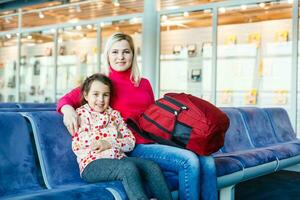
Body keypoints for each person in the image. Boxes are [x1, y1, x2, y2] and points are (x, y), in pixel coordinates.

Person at [57, 32, 217, 200]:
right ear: (107, 55)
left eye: (126, 51)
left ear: (133, 54)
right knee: (188, 161)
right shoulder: (103, 84)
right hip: (129, 148)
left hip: (152, 142)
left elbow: (153, 118)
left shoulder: (144, 83)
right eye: (115, 52)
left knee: (208, 161)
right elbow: (66, 99)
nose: (120, 57)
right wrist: (67, 110)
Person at [72, 73, 172, 200]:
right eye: (96, 94)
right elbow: (81, 143)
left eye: (105, 95)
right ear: (86, 95)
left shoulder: (114, 115)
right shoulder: (81, 114)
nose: (101, 99)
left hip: (118, 158)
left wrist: (109, 143)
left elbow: (130, 142)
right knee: (128, 168)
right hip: (92, 164)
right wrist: (115, 135)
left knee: (151, 167)